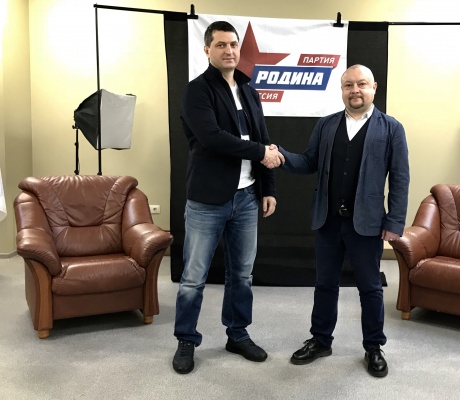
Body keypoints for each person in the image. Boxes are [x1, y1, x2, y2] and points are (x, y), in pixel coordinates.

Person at [277, 64, 410, 378]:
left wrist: (394, 222)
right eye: (348, 85)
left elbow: (400, 178)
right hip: (328, 221)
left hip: (367, 223)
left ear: (373, 88)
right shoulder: (326, 125)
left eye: (361, 84)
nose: (355, 90)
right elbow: (308, 161)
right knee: (325, 284)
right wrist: (280, 155)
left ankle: (374, 347)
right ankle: (321, 340)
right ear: (342, 90)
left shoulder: (391, 128)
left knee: (370, 288)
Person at [172, 21, 284, 375]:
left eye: (233, 44)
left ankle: (237, 334)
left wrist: (268, 188)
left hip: (247, 198)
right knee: (194, 276)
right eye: (220, 45)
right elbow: (212, 138)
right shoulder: (197, 91)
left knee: (242, 275)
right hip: (208, 201)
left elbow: (263, 138)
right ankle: (186, 339)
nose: (229, 50)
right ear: (207, 50)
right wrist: (261, 152)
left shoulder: (249, 90)